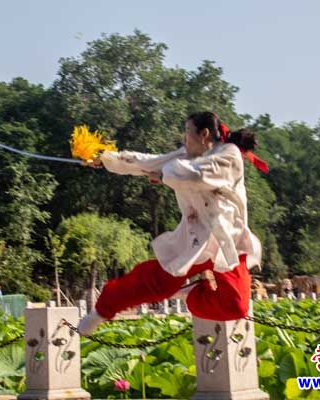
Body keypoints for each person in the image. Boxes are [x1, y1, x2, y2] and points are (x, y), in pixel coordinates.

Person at [77, 111, 266, 335]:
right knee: (156, 282)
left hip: (229, 241)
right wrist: (105, 158)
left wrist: (164, 174)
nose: (184, 138)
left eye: (187, 132)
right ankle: (101, 311)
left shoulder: (229, 154)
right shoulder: (184, 156)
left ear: (204, 134)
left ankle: (192, 293)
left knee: (236, 306)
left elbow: (197, 176)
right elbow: (147, 162)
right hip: (197, 238)